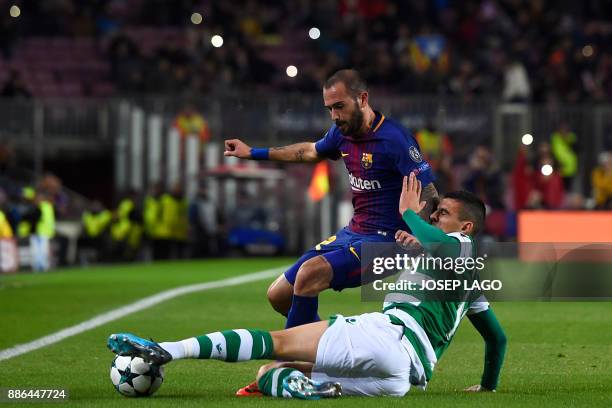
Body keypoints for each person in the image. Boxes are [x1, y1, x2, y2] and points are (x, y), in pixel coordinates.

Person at [107, 174, 506, 399]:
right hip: (401, 377)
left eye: (443, 214)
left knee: (277, 341)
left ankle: (168, 350)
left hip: (388, 336)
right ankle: (301, 388)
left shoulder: (460, 245)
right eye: (433, 213)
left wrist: (406, 212)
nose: (433, 218)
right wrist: (487, 387)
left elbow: (440, 243)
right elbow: (496, 338)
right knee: (268, 373)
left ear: (466, 227)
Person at [223, 69, 438, 334]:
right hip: (353, 233)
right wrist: (252, 152)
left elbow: (428, 191)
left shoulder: (395, 139)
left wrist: (421, 235)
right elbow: (309, 151)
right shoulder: (341, 133)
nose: (335, 116)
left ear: (362, 98)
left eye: (339, 106)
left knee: (308, 274)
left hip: (389, 242)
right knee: (279, 295)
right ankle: (331, 346)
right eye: (329, 109)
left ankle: (290, 368)